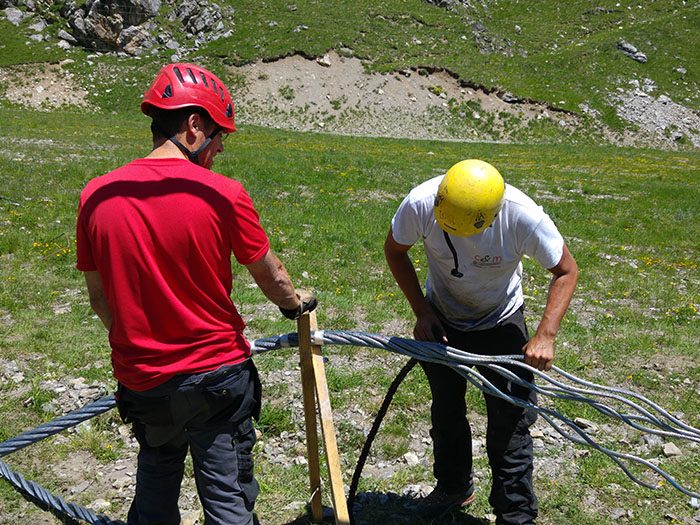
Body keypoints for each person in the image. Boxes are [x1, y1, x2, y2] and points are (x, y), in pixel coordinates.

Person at [76, 62, 316, 525]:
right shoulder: (222, 193)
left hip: (143, 380)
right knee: (227, 497)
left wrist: (144, 340)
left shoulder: (96, 195)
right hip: (216, 377)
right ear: (194, 126)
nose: (221, 146)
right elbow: (271, 275)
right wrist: (296, 303)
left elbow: (100, 299)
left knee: (156, 481)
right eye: (219, 133)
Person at [384, 159, 578, 524]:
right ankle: (454, 487)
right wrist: (422, 312)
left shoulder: (522, 216)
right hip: (443, 320)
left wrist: (545, 335)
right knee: (446, 409)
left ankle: (515, 515)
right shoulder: (421, 202)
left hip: (501, 323)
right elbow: (395, 251)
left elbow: (566, 270)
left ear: (491, 215)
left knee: (510, 424)